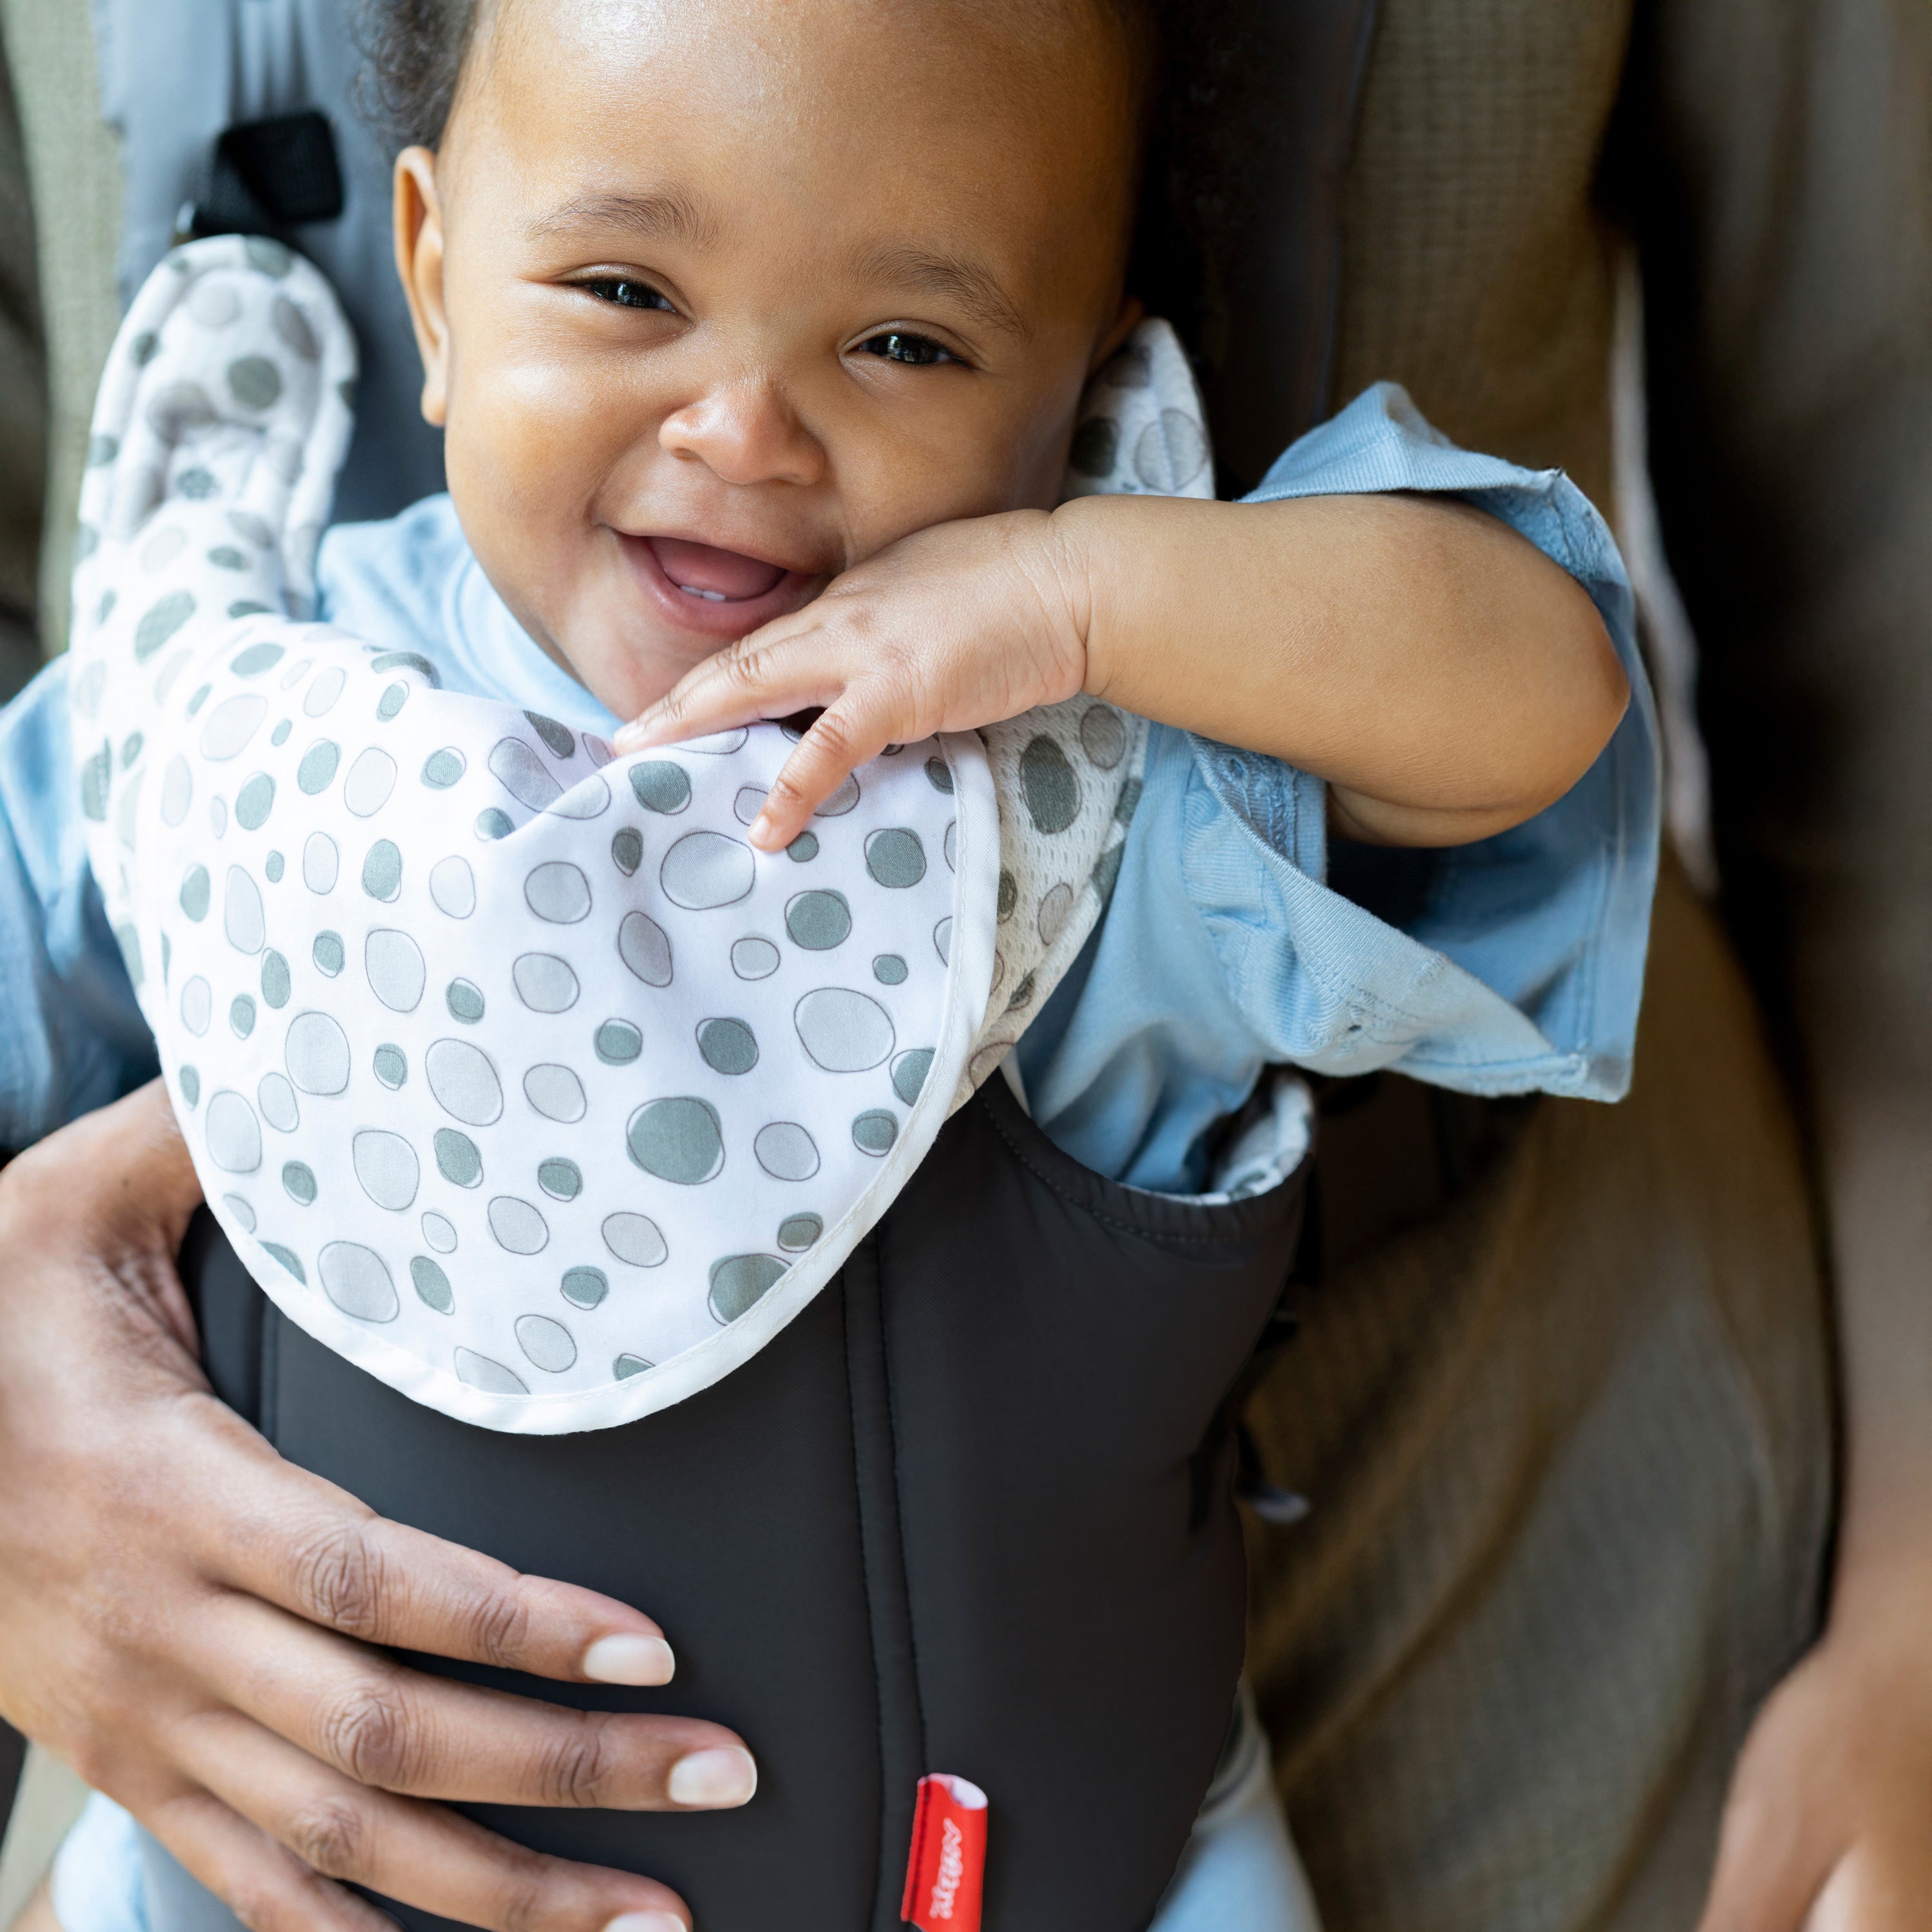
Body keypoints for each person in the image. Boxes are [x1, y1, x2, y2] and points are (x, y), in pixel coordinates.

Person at [3, 1, 1925, 1928]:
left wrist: (1095, 598)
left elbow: (1547, 692)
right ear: (433, 271)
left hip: (1494, 1640)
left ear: (1088, 368)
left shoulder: (1072, 803)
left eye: (907, 342)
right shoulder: (238, 731)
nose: (742, 429)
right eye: (619, 285)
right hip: (232, 1802)